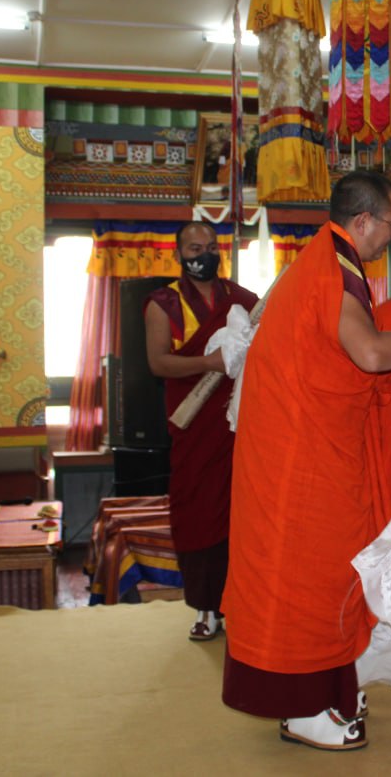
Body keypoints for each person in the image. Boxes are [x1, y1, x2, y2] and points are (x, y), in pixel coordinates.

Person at [220, 171, 391, 750]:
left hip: (302, 443)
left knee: (323, 574)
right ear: (364, 221)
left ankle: (327, 691)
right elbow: (370, 354)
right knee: (311, 576)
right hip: (302, 458)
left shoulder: (326, 263)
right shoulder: (336, 270)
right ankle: (302, 708)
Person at [144, 221, 258, 640]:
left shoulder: (241, 300)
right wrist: (210, 364)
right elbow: (159, 363)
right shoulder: (163, 304)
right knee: (199, 513)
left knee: (244, 515)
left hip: (240, 425)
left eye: (211, 246)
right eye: (195, 247)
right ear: (179, 254)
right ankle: (207, 608)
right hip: (193, 426)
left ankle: (243, 603)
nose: (205, 254)